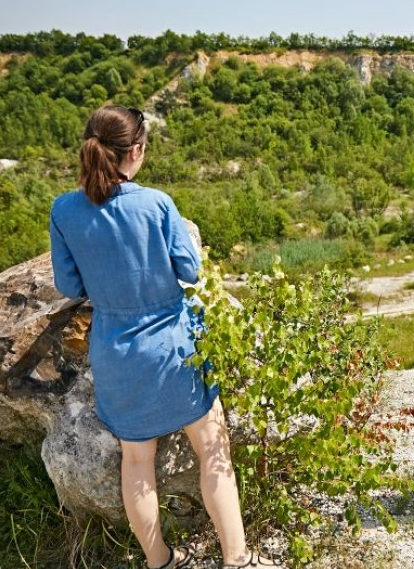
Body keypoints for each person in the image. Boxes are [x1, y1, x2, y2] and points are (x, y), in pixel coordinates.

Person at [50, 105, 276, 569]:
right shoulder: (156, 203)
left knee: (137, 465)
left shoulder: (64, 210)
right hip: (173, 348)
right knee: (213, 448)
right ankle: (237, 560)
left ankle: (160, 561)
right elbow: (189, 270)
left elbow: (70, 287)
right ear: (135, 152)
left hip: (117, 354)